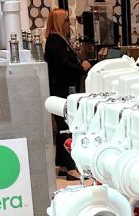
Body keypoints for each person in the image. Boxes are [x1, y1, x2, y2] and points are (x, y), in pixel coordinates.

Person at [43, 8, 90, 180]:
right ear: (60, 22)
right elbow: (63, 66)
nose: (69, 24)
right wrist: (81, 67)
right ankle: (71, 168)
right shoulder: (55, 42)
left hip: (61, 89)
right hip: (62, 90)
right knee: (68, 127)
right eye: (67, 21)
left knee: (63, 127)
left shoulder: (58, 40)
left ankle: (64, 165)